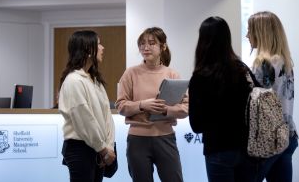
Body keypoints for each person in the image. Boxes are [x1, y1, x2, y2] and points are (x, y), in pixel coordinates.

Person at [188, 16, 257, 182]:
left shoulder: (200, 77)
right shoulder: (242, 69)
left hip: (217, 148)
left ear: (203, 40)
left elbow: (196, 125)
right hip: (247, 148)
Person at [115, 27, 188, 182]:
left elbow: (186, 108)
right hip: (137, 140)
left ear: (163, 46)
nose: (145, 47)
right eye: (142, 44)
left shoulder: (172, 74)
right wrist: (142, 105)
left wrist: (166, 110)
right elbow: (121, 106)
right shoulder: (131, 73)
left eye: (151, 43)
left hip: (166, 138)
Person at [246, 11, 298, 182]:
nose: (247, 35)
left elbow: (254, 103)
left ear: (260, 33)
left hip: (269, 138)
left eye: (250, 30)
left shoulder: (263, 64)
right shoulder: (285, 61)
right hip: (288, 135)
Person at [58, 30, 116, 182]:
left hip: (98, 149)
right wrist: (103, 149)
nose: (102, 48)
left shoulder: (95, 80)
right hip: (80, 149)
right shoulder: (74, 80)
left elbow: (107, 117)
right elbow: (84, 119)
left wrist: (108, 146)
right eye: (98, 44)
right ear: (88, 50)